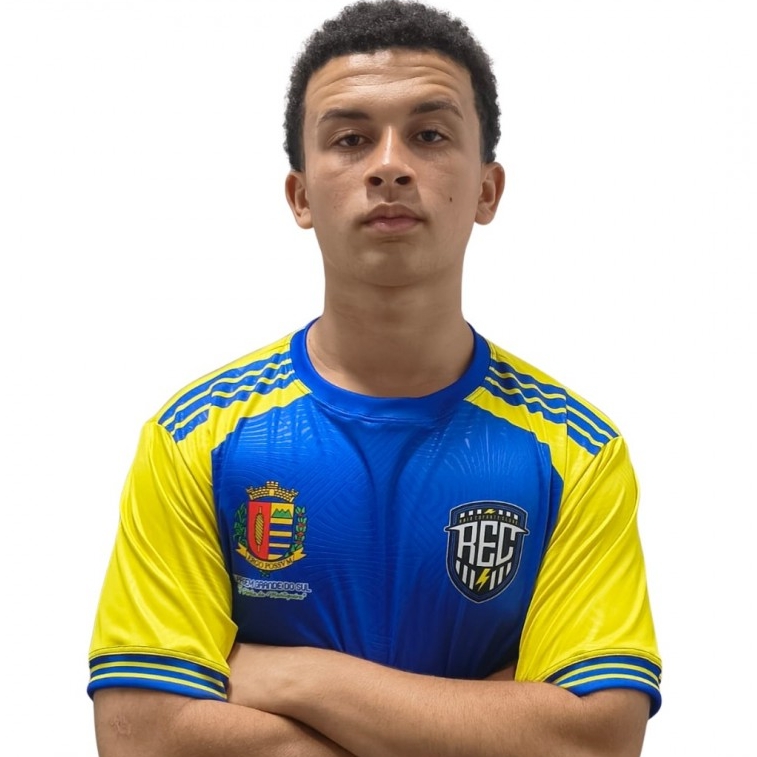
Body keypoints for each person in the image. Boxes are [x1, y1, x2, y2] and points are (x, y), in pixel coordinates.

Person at [88, 1, 662, 755]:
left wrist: (291, 676)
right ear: (301, 196)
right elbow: (139, 735)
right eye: (351, 139)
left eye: (429, 135)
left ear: (487, 190)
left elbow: (595, 742)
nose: (389, 165)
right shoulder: (195, 438)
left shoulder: (576, 452)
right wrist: (489, 721)